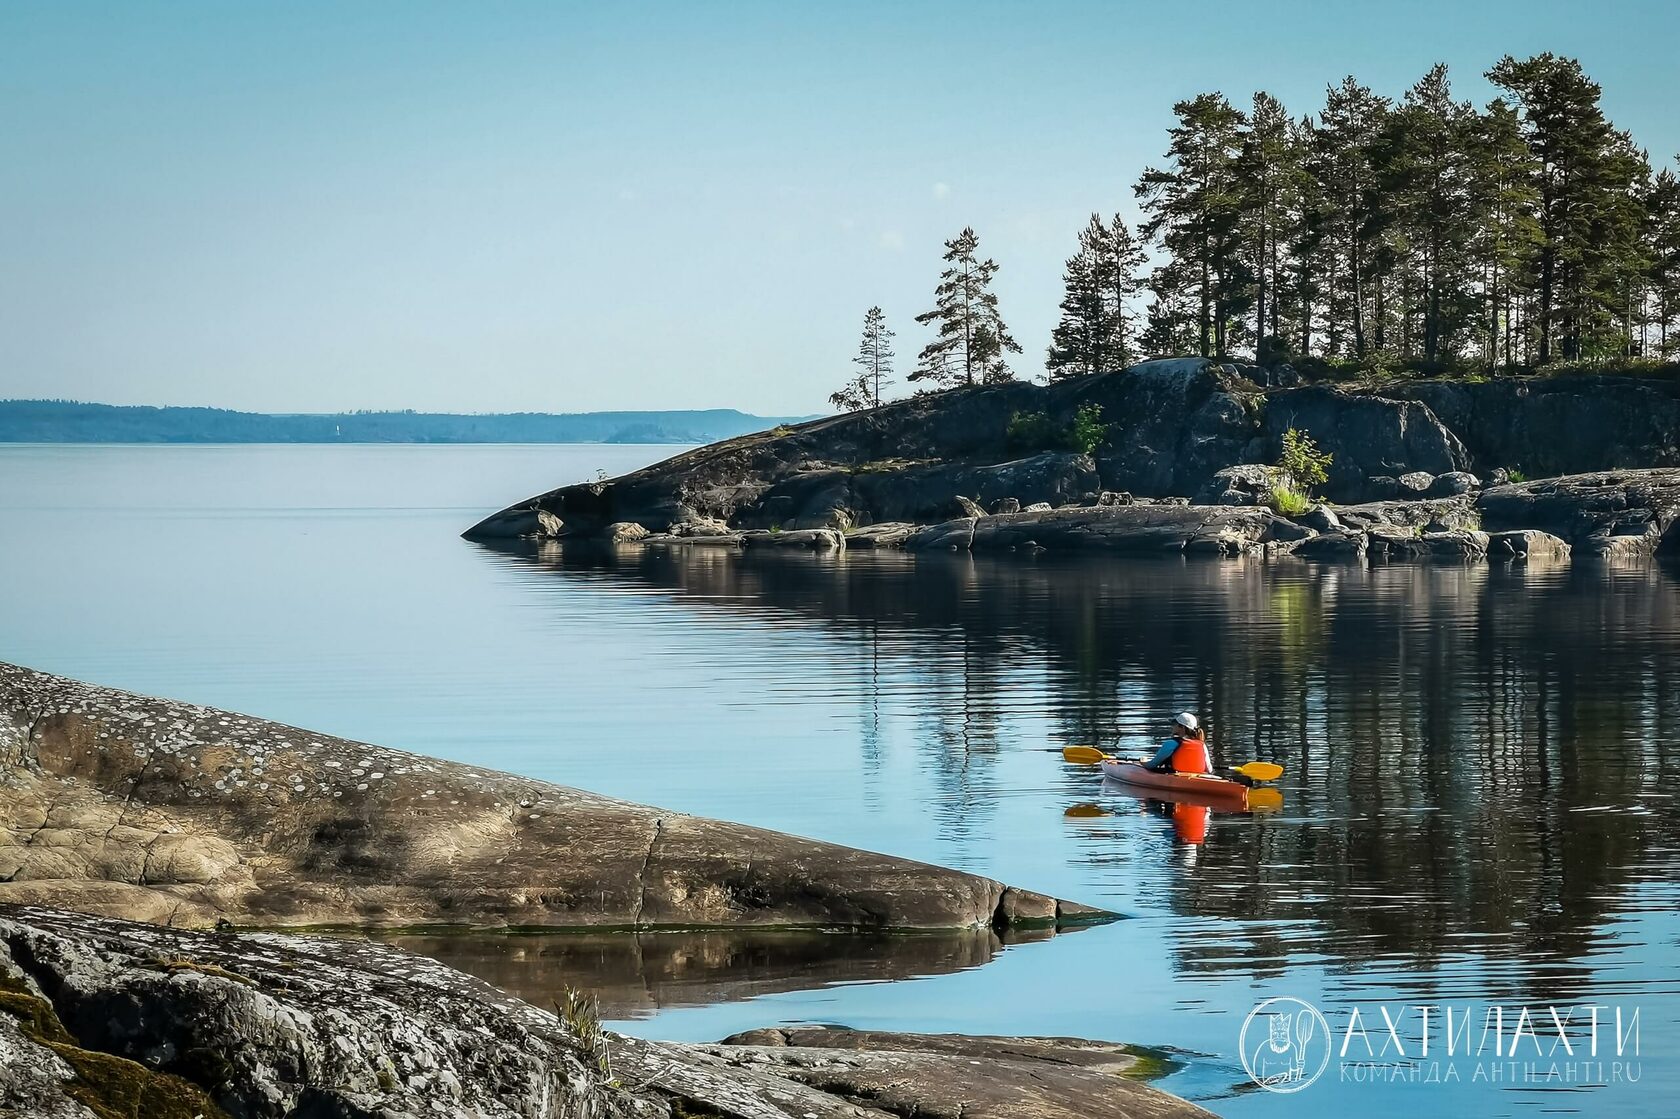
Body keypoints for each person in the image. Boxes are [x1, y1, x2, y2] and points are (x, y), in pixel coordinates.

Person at [1141, 712, 1210, 775]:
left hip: (1175, 777)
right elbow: (1209, 769)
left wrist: (1143, 761)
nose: (1172, 726)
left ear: (1182, 727)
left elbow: (1152, 765)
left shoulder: (1171, 743)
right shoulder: (1202, 745)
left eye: (1174, 724)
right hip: (1196, 778)